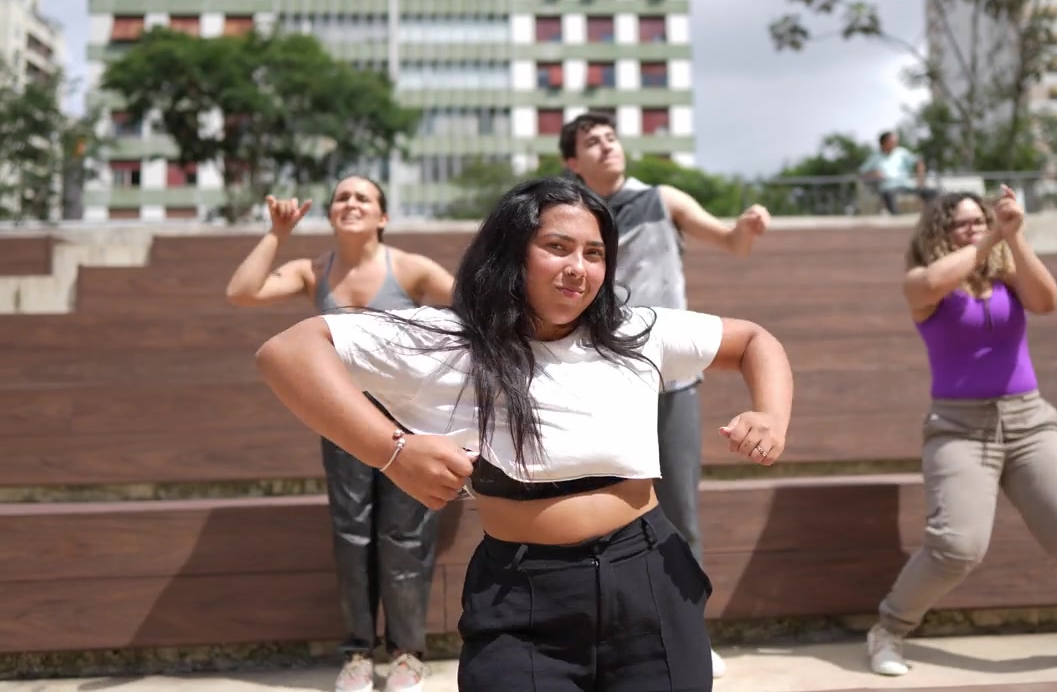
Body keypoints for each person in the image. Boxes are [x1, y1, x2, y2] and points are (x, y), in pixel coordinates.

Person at [253, 176, 795, 692]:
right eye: (557, 247)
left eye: (595, 253)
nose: (577, 267)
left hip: (649, 578)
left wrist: (770, 415)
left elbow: (754, 341)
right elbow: (289, 351)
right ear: (511, 252)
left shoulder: (635, 332)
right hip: (521, 595)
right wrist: (393, 451)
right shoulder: (449, 340)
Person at [865, 187, 1057, 677]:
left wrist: (1014, 237)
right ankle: (887, 631)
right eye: (962, 223)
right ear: (939, 231)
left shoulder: (1006, 274)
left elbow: (1047, 301)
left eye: (980, 220)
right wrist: (992, 237)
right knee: (957, 547)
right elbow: (932, 281)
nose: (973, 229)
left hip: (1029, 422)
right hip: (958, 429)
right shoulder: (921, 282)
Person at [558, 112, 771, 678]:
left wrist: (746, 226)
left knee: (679, 514)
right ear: (573, 162)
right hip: (594, 382)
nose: (607, 146)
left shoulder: (663, 199)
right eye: (592, 142)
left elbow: (731, 242)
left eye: (611, 137)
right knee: (598, 516)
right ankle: (606, 642)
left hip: (669, 381)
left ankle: (688, 636)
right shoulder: (572, 215)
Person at [226, 175, 455, 692]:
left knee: (405, 535)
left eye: (363, 198)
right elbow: (242, 292)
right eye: (342, 197)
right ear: (330, 214)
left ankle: (407, 655)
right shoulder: (313, 271)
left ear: (383, 216)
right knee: (352, 535)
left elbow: (471, 304)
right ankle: (357, 654)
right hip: (343, 419)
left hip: (406, 420)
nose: (351, 203)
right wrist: (277, 234)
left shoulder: (411, 268)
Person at [858, 131, 938, 216]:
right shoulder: (875, 157)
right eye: (891, 141)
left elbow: (919, 163)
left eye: (895, 141)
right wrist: (873, 174)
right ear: (883, 143)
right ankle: (897, 218)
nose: (894, 144)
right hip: (888, 187)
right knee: (888, 194)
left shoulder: (901, 152)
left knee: (932, 192)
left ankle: (934, 215)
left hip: (906, 185)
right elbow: (861, 173)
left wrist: (920, 180)